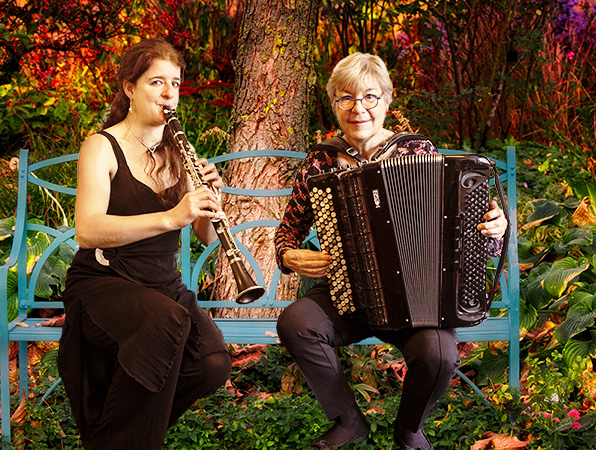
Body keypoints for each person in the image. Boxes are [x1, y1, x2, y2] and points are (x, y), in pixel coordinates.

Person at [274, 52, 508, 450]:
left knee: (439, 355)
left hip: (417, 302)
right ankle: (349, 421)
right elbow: (287, 234)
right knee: (296, 322)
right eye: (345, 98)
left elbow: (469, 236)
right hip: (348, 295)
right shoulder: (320, 161)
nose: (358, 108)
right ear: (334, 105)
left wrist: (494, 230)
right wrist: (288, 256)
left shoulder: (418, 152)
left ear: (387, 100)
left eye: (369, 97)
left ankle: (409, 430)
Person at [57, 38, 232, 450]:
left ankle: (112, 440)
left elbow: (204, 235)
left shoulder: (181, 153)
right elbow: (88, 230)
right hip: (104, 281)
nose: (169, 92)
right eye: (157, 82)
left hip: (162, 285)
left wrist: (210, 204)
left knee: (212, 364)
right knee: (164, 322)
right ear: (129, 88)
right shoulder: (101, 146)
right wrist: (172, 216)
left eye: (175, 82)